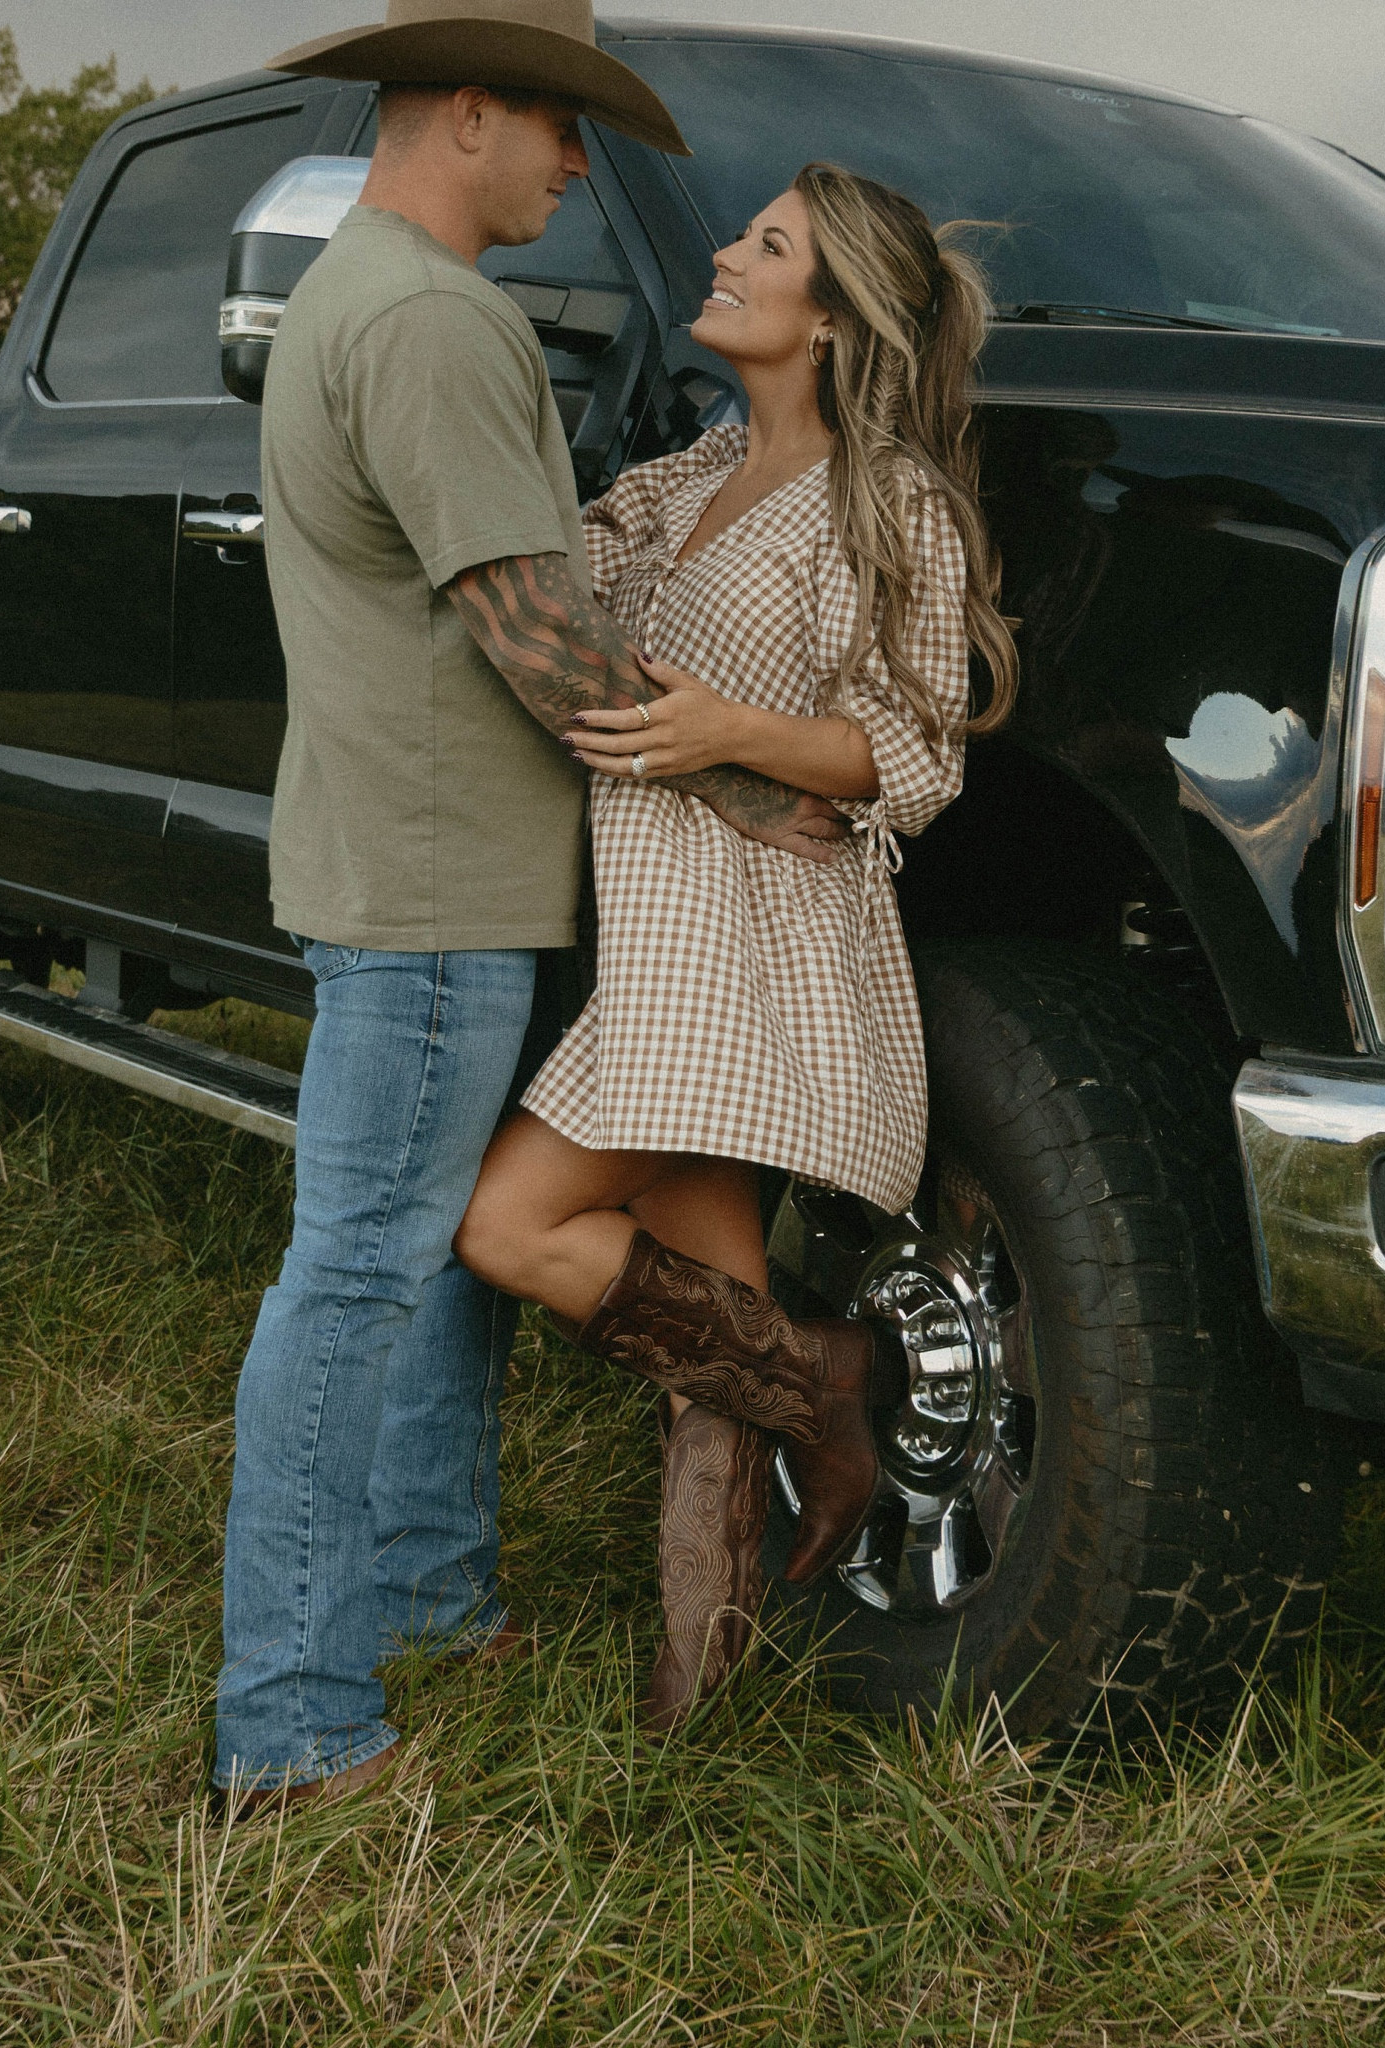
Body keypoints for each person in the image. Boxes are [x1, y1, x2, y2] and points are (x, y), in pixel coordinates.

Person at [216, 0, 851, 1816]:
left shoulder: (358, 290)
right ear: (469, 112)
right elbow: (532, 630)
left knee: (416, 1279)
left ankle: (425, 1595)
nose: (579, 167)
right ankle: (292, 1727)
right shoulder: (431, 319)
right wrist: (755, 784)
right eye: (558, 130)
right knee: (352, 1280)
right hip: (435, 892)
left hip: (400, 861)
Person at [455, 163, 1020, 1733]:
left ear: (830, 317)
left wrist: (733, 729)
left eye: (764, 246)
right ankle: (702, 1684)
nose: (723, 253)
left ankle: (829, 1382)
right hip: (649, 924)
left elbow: (915, 756)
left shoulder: (884, 498)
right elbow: (538, 580)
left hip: (752, 939)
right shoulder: (678, 476)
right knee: (706, 1312)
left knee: (507, 1226)